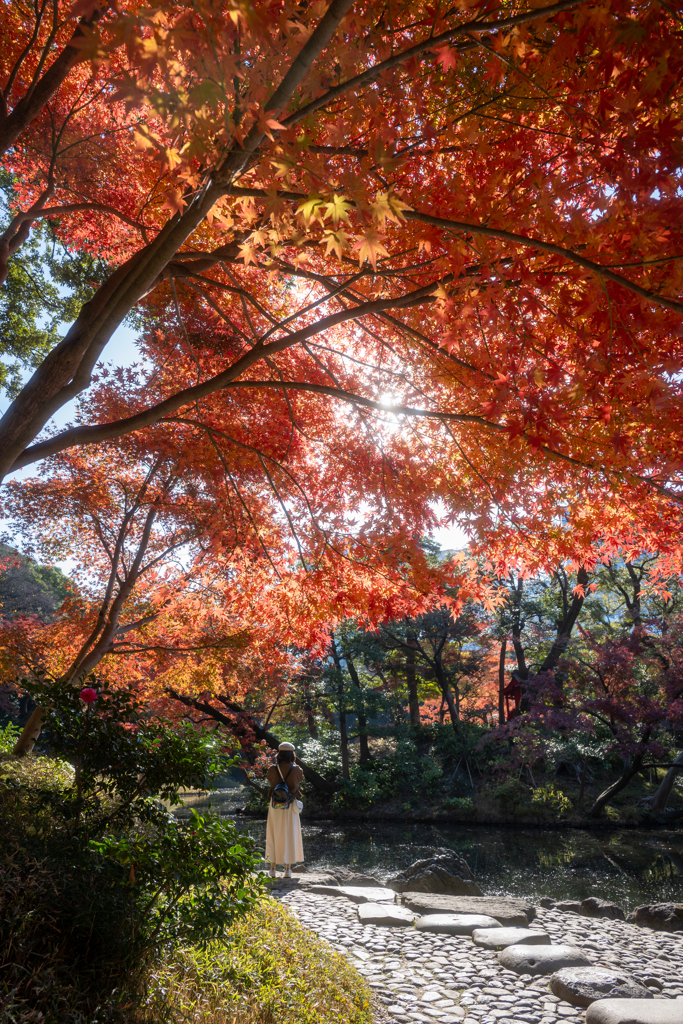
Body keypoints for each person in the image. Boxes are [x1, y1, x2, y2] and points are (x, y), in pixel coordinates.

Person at [265, 741, 304, 878]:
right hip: (290, 805)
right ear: (292, 754)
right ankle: (288, 869)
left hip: (275, 805)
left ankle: (272, 869)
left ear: (279, 754)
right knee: (290, 834)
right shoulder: (297, 769)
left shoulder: (272, 769)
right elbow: (299, 783)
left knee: (273, 833)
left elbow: (270, 782)